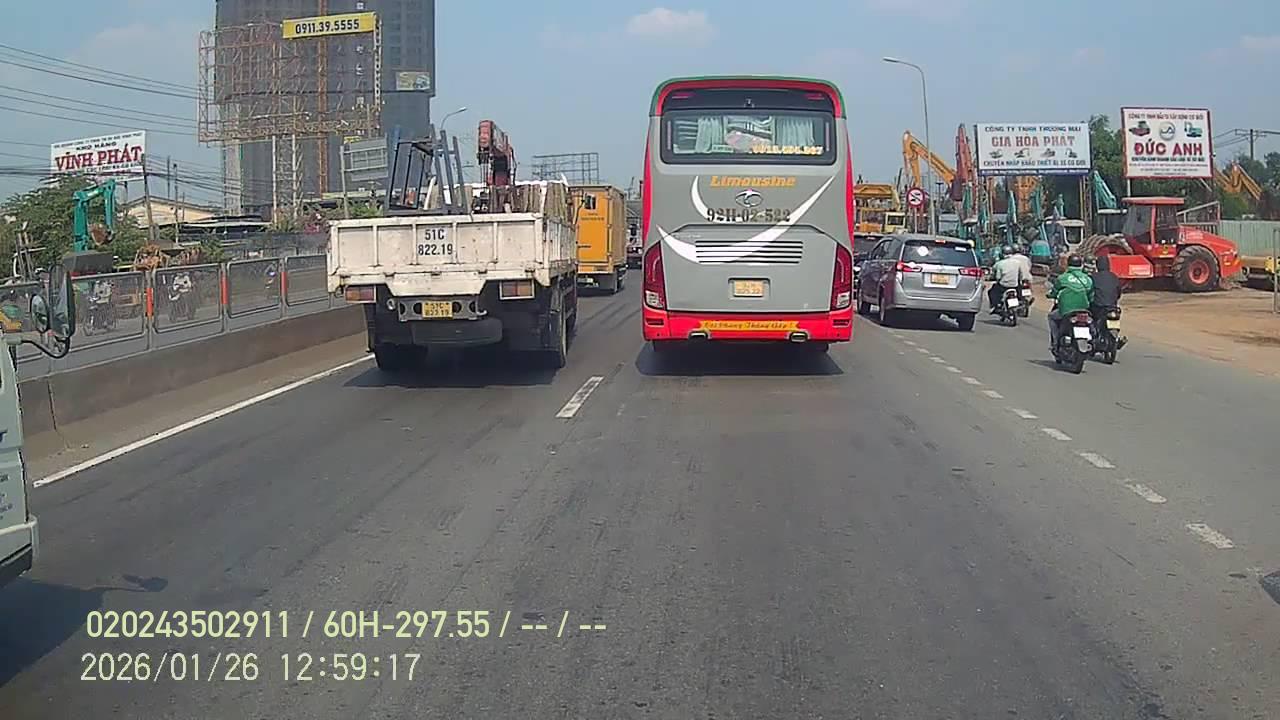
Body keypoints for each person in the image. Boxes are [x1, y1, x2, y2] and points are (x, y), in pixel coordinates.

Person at [1047, 254, 1093, 350]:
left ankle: (1055, 342)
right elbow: (1091, 296)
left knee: (1051, 317)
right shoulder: (1088, 279)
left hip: (1066, 311)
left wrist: (1050, 295)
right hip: (1084, 310)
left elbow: (1054, 292)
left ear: (1068, 264)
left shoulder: (1062, 278)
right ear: (1081, 265)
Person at [988, 245, 1031, 314]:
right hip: (1015, 285)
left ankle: (996, 306)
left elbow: (998, 277)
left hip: (1003, 286)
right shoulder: (1018, 262)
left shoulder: (999, 264)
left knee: (992, 292)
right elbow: (1021, 274)